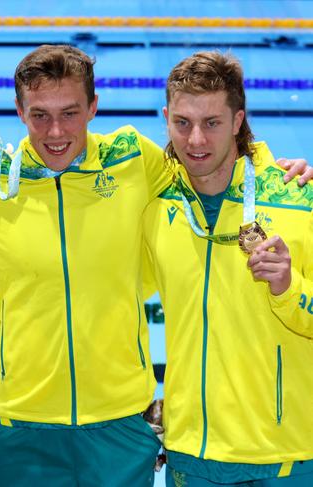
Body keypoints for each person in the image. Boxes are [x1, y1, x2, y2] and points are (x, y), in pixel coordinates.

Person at [0, 45, 313, 486]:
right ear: (18, 110)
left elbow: (216, 170)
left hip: (121, 427)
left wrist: (274, 169)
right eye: (39, 115)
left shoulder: (132, 162)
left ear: (94, 107)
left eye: (70, 112)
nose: (55, 131)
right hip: (21, 424)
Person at [142, 51, 313, 486]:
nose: (196, 140)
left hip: (284, 457)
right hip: (190, 453)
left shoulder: (298, 198)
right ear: (165, 117)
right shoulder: (156, 206)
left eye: (212, 123)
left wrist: (290, 287)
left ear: (238, 120)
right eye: (182, 123)